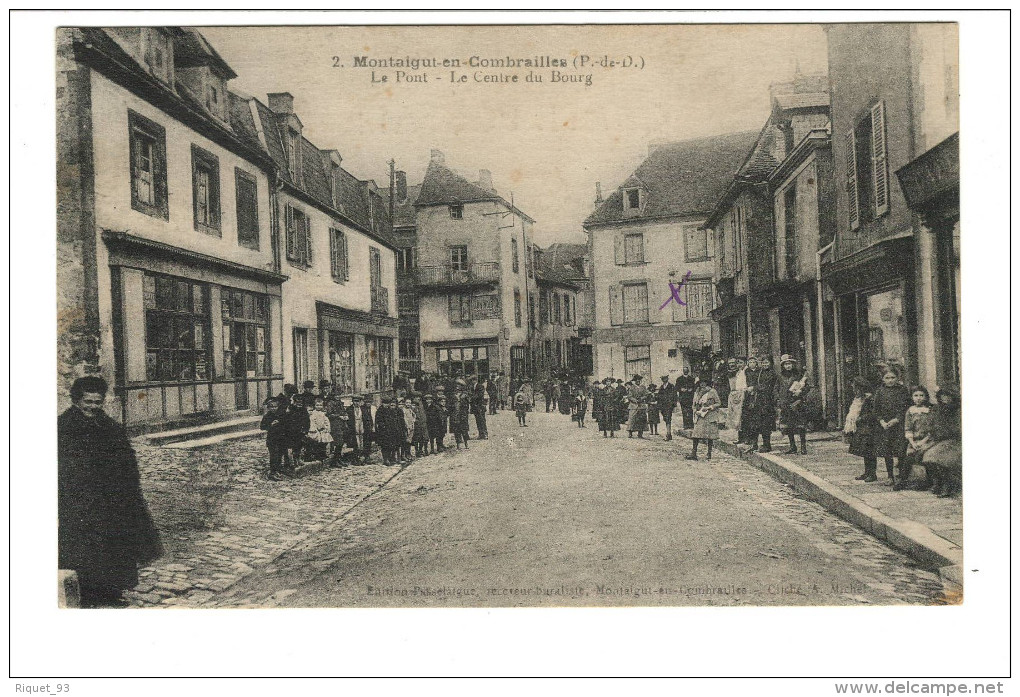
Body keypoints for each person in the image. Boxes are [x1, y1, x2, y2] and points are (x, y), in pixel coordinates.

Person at [58, 376, 163, 607]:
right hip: (79, 501)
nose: (93, 407)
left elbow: (128, 462)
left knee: (114, 547)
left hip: (113, 500)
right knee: (84, 549)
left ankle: (113, 590)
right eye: (88, 402)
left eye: (98, 402)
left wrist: (128, 492)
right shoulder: (63, 428)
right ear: (76, 401)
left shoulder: (111, 427)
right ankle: (87, 593)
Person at [873, 368, 911, 486]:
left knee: (900, 450)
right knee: (887, 451)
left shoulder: (903, 390)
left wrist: (897, 419)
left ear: (897, 378)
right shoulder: (880, 391)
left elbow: (906, 406)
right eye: (887, 378)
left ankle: (901, 476)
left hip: (899, 424)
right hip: (885, 426)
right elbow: (876, 409)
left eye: (892, 378)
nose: (890, 380)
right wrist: (882, 421)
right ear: (883, 379)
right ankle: (890, 476)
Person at [923, 385, 961, 497]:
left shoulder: (958, 409)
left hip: (954, 441)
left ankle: (946, 485)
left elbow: (958, 428)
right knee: (927, 456)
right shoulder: (936, 409)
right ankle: (937, 482)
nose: (945, 398)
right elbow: (930, 425)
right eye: (943, 395)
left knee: (939, 458)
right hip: (938, 440)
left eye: (948, 395)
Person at [896, 385, 935, 490]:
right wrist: (912, 442)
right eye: (916, 395)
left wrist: (923, 441)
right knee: (908, 458)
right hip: (915, 440)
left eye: (921, 395)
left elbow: (932, 429)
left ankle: (929, 482)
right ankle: (903, 480)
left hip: (928, 440)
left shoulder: (930, 410)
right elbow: (908, 428)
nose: (918, 398)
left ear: (926, 397)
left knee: (926, 456)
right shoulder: (910, 411)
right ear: (912, 397)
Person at [843, 376, 879, 482]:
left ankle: (872, 474)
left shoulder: (869, 399)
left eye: (855, 387)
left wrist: (860, 419)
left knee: (869, 451)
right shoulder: (857, 399)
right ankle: (867, 472)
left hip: (868, 427)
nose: (853, 389)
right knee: (865, 451)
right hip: (861, 427)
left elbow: (872, 413)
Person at [744, 356, 779, 453]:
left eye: (767, 363)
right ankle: (754, 444)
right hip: (759, 401)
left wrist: (754, 388)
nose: (765, 365)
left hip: (768, 402)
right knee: (756, 423)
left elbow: (766, 386)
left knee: (766, 424)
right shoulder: (760, 372)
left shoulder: (772, 374)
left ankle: (767, 445)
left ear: (771, 363)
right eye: (763, 363)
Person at [778, 355, 810, 455]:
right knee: (789, 426)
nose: (788, 366)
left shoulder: (799, 375)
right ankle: (792, 446)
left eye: (789, 364)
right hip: (786, 403)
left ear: (793, 364)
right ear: (783, 366)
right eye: (786, 364)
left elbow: (807, 387)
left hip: (797, 403)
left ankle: (803, 447)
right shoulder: (780, 376)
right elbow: (776, 389)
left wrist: (800, 392)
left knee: (800, 426)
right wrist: (777, 399)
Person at [687, 374, 722, 461]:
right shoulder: (698, 391)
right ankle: (693, 453)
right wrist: (695, 410)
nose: (702, 384)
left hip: (709, 415)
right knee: (696, 435)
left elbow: (718, 403)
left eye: (704, 383)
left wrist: (710, 407)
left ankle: (709, 453)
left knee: (709, 436)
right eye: (700, 383)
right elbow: (694, 403)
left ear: (707, 383)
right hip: (700, 415)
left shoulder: (712, 391)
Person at [261, 397, 291, 479]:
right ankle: (272, 472)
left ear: (278, 407)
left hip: (281, 438)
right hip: (272, 439)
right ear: (268, 408)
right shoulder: (267, 416)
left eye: (275, 406)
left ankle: (277, 469)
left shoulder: (281, 415)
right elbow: (262, 427)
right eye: (271, 407)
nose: (273, 408)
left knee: (280, 454)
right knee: (273, 455)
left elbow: (286, 423)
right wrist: (270, 425)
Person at [303, 396, 333, 463]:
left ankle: (322, 454)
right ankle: (316, 455)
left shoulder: (323, 413)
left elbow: (326, 421)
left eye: (320, 405)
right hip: (316, 430)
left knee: (323, 443)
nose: (319, 407)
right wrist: (316, 428)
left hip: (322, 430)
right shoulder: (313, 413)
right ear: (314, 405)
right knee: (316, 443)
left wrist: (326, 428)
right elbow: (313, 422)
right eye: (317, 405)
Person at [285, 392, 310, 468]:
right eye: (297, 402)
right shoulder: (290, 410)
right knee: (290, 447)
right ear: (294, 402)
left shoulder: (304, 410)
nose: (299, 404)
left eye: (301, 402)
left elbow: (307, 421)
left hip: (300, 431)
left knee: (299, 446)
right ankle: (290, 461)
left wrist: (305, 430)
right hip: (291, 431)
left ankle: (298, 459)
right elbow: (287, 421)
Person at [656, 375, 677, 440]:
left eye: (665, 379)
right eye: (663, 379)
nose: (664, 380)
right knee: (666, 419)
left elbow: (674, 395)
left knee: (668, 418)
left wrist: (674, 405)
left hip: (669, 405)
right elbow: (659, 396)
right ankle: (669, 434)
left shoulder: (671, 386)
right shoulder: (661, 387)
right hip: (663, 406)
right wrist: (659, 405)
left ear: (667, 379)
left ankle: (668, 434)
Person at [411, 393, 430, 458]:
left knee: (423, 438)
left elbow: (424, 413)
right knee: (416, 438)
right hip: (416, 425)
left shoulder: (422, 404)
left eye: (419, 397)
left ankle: (421, 450)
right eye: (416, 397)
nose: (418, 398)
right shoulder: (413, 406)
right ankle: (417, 451)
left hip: (423, 424)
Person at [400, 397, 416, 464]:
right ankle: (403, 455)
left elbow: (414, 415)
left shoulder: (410, 410)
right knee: (405, 441)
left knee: (409, 441)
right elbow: (404, 419)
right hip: (406, 428)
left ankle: (408, 453)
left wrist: (413, 421)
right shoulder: (403, 410)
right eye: (407, 403)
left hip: (411, 427)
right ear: (404, 403)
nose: (408, 404)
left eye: (409, 403)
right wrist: (407, 426)